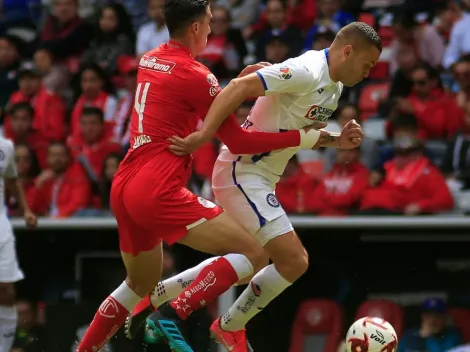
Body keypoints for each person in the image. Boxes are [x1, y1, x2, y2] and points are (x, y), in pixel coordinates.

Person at [74, 0, 333, 350]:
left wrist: (237, 82)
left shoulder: (149, 58)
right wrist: (307, 137)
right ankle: (173, 313)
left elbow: (189, 95)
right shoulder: (199, 75)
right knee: (255, 252)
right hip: (158, 188)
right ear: (196, 27)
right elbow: (238, 140)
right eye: (209, 22)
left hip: (125, 183)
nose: (211, 29)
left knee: (139, 283)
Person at [139, 21, 380, 352]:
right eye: (367, 65)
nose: (368, 73)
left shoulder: (334, 87)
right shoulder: (306, 69)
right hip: (243, 172)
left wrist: (337, 141)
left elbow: (293, 132)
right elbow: (237, 88)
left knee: (246, 264)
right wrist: (204, 135)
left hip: (261, 176)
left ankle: (161, 294)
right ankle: (200, 319)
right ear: (348, 51)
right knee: (292, 260)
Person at [0, 136, 37, 352]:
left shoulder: (6, 147)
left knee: (6, 291)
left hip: (1, 227)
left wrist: (26, 210)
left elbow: (12, 180)